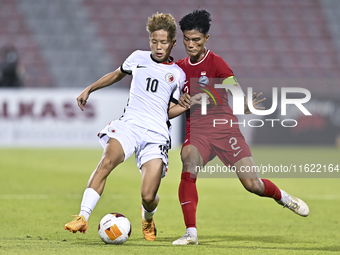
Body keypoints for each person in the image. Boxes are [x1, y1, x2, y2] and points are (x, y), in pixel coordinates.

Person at [172, 10, 310, 245]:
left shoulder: (217, 63)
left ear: (206, 38)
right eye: (187, 38)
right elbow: (171, 103)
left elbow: (232, 86)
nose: (190, 44)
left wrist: (243, 104)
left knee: (252, 185)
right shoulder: (177, 69)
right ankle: (191, 233)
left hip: (226, 130)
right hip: (198, 132)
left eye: (196, 39)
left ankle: (283, 197)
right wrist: (179, 104)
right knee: (189, 163)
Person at [64, 12, 187, 241]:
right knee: (107, 161)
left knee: (148, 195)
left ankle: (147, 218)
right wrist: (89, 89)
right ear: (149, 40)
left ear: (172, 43)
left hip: (157, 134)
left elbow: (168, 111)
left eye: (163, 42)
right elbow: (116, 75)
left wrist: (184, 106)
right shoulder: (137, 58)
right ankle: (83, 216)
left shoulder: (178, 75)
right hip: (130, 125)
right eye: (154, 41)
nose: (158, 47)